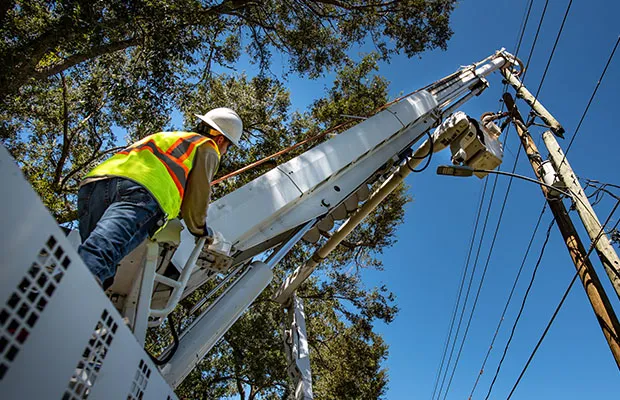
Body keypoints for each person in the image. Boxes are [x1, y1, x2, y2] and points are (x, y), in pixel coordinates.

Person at [77, 108, 242, 289]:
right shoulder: (208, 147)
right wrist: (202, 231)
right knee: (100, 255)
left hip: (94, 185)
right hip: (141, 193)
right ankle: (74, 294)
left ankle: (79, 294)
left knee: (102, 264)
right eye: (228, 146)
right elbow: (198, 195)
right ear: (220, 139)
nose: (225, 151)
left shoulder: (170, 137)